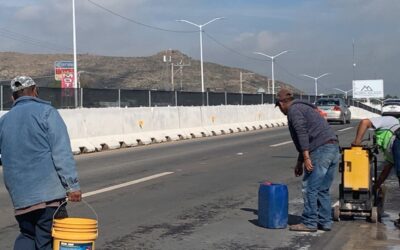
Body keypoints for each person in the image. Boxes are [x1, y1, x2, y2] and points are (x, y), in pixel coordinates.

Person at [0, 76, 82, 250]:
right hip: (48, 197)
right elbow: (61, 152)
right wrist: (72, 186)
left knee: (27, 235)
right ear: (35, 91)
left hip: (21, 198)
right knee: (47, 239)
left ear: (13, 97)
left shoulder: (4, 121)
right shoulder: (47, 112)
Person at [275, 88, 340, 232]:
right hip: (333, 149)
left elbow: (302, 133)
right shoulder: (304, 107)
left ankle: (310, 222)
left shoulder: (294, 111)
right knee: (322, 189)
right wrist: (300, 161)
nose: (280, 110)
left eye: (279, 107)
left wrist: (306, 157)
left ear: (281, 103)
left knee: (309, 187)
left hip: (321, 150)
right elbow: (305, 138)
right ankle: (325, 222)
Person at [351, 116, 400, 228]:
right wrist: (376, 185)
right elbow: (386, 169)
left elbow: (365, 122)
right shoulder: (390, 150)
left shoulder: (391, 120)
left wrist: (357, 142)